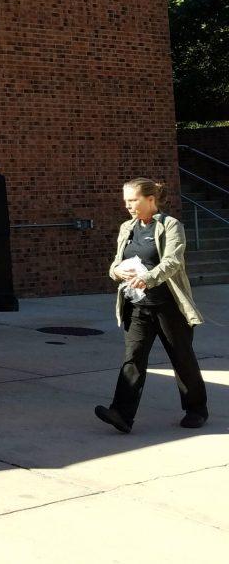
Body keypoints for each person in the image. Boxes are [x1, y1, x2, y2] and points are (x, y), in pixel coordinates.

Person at [95, 178, 208, 433]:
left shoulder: (170, 226)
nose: (128, 205)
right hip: (138, 306)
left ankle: (196, 408)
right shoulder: (127, 228)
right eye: (126, 201)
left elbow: (173, 262)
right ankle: (122, 414)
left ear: (150, 199)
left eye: (133, 200)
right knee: (132, 358)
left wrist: (147, 278)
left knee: (182, 357)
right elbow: (116, 261)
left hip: (168, 306)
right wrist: (116, 272)